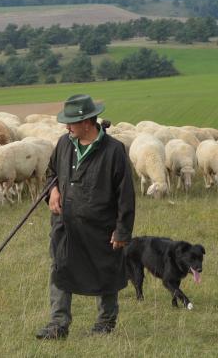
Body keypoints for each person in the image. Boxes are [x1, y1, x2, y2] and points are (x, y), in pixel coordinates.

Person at [36, 94, 136, 339]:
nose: (66, 126)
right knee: (60, 267)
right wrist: (53, 190)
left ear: (87, 123)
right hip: (65, 224)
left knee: (106, 271)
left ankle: (105, 323)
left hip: (101, 226)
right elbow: (51, 173)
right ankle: (58, 324)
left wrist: (122, 230)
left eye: (71, 122)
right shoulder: (63, 144)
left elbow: (125, 195)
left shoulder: (114, 151)